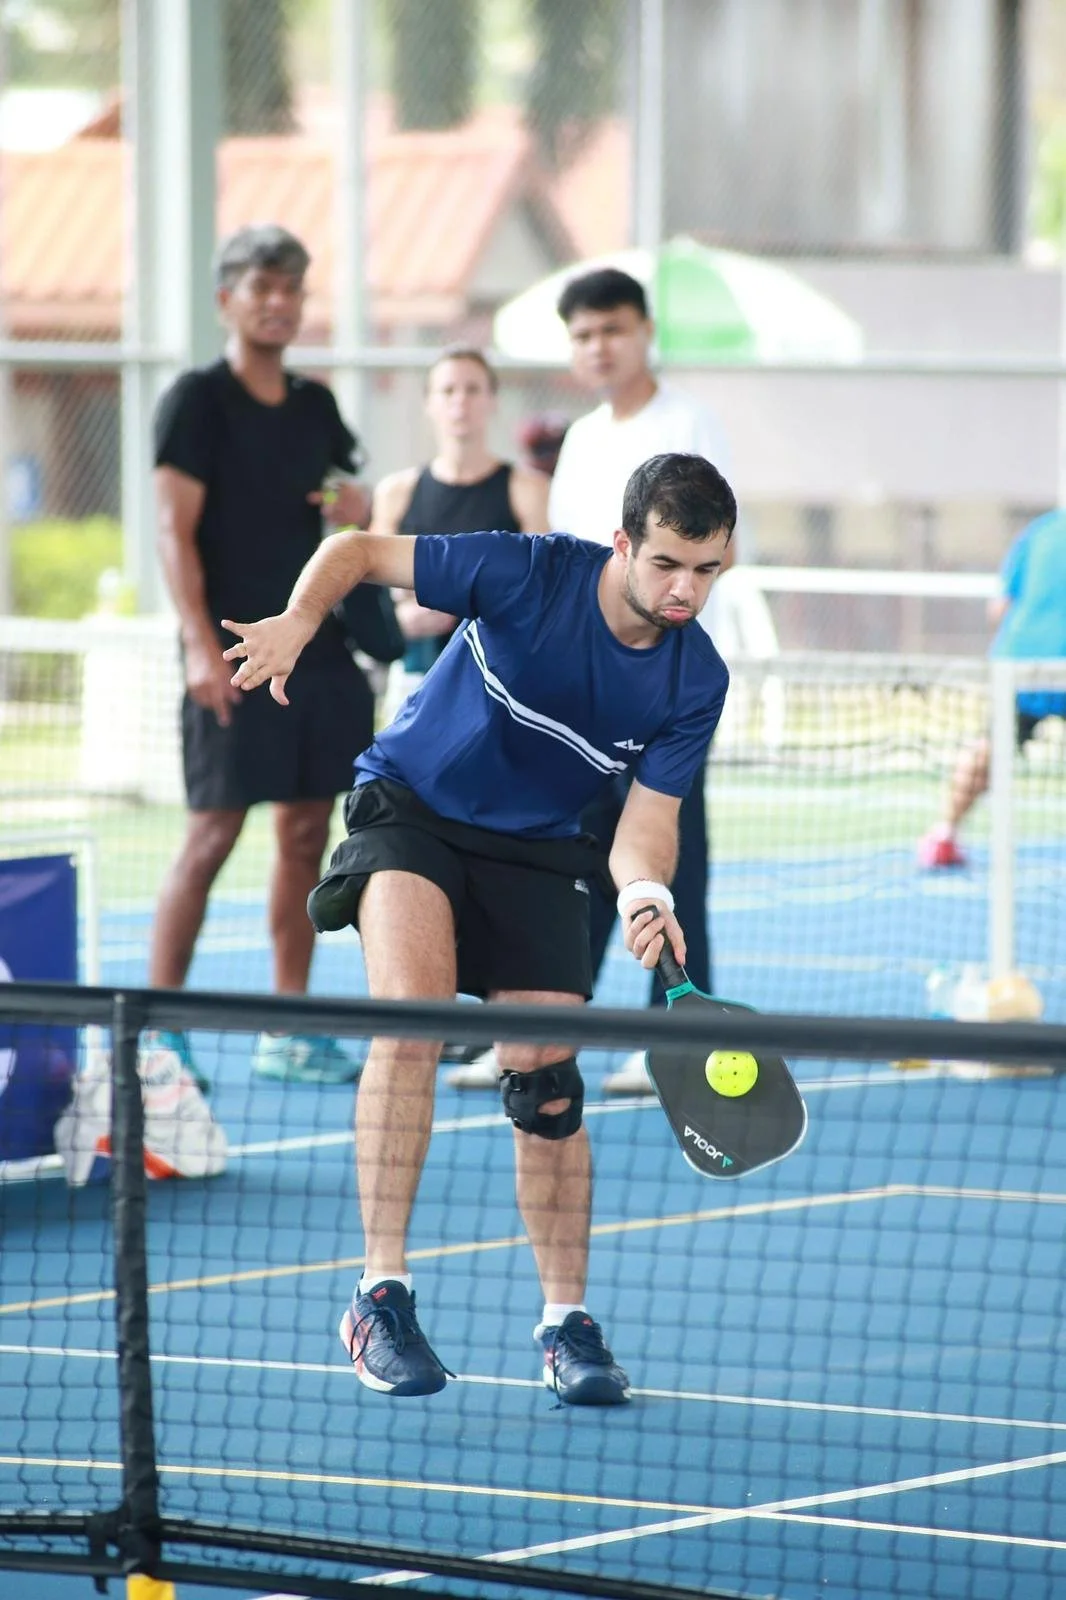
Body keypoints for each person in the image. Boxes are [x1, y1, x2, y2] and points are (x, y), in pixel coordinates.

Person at [221, 451, 736, 1403]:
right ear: (623, 544)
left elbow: (646, 827)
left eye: (708, 571)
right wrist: (299, 620)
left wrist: (643, 895)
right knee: (411, 1020)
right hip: (412, 806)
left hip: (540, 847)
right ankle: (380, 1294)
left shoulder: (693, 680)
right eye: (667, 564)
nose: (684, 590)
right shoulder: (529, 570)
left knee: (546, 1079)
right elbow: (357, 547)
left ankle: (566, 1325)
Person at [449, 266, 733, 1095]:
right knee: (570, 862)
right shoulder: (579, 440)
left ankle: (669, 1036)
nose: (598, 347)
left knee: (671, 864)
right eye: (582, 335)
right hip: (573, 700)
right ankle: (538, 1027)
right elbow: (565, 560)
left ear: (644, 331)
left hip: (661, 692)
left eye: (612, 329)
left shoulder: (691, 423)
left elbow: (712, 551)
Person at [146, 224, 375, 1088]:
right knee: (211, 834)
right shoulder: (196, 402)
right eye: (261, 288)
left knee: (307, 833)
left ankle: (288, 1024)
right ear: (226, 301)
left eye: (291, 290)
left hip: (315, 647)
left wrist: (353, 502)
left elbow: (349, 505)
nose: (278, 303)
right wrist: (200, 648)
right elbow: (172, 532)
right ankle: (157, 1031)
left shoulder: (316, 407)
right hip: (232, 649)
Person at [371, 347, 550, 674]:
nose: (460, 401)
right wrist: (401, 615)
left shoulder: (527, 489)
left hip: (498, 667)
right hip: (417, 666)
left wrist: (464, 607)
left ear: (492, 400)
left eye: (472, 389)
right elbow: (373, 577)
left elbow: (540, 582)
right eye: (448, 390)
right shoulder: (396, 492)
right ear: (429, 403)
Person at [918, 507, 1066, 870]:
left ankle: (944, 835)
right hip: (1039, 665)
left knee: (989, 748)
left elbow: (999, 609)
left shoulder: (1040, 531)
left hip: (1018, 665)